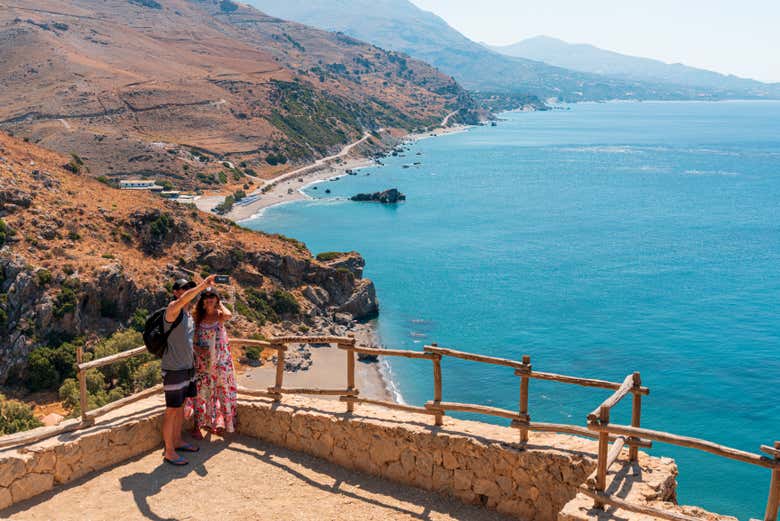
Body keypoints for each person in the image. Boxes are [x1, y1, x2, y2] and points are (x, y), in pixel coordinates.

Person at [161, 274, 217, 466]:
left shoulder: (187, 315)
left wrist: (196, 350)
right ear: (176, 293)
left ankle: (177, 441)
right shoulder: (172, 310)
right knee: (171, 410)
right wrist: (202, 286)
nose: (186, 293)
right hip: (173, 369)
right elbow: (184, 300)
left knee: (180, 408)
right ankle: (169, 452)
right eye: (183, 289)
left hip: (187, 368)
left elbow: (185, 340)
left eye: (189, 288)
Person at [187, 287, 237, 438]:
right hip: (203, 362)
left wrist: (219, 303)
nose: (209, 298)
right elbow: (193, 340)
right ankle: (198, 426)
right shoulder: (197, 318)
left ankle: (217, 423)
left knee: (221, 391)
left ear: (216, 299)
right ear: (202, 300)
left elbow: (229, 315)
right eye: (206, 296)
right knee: (201, 393)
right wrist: (197, 349)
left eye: (212, 296)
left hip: (221, 361)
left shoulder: (220, 315)